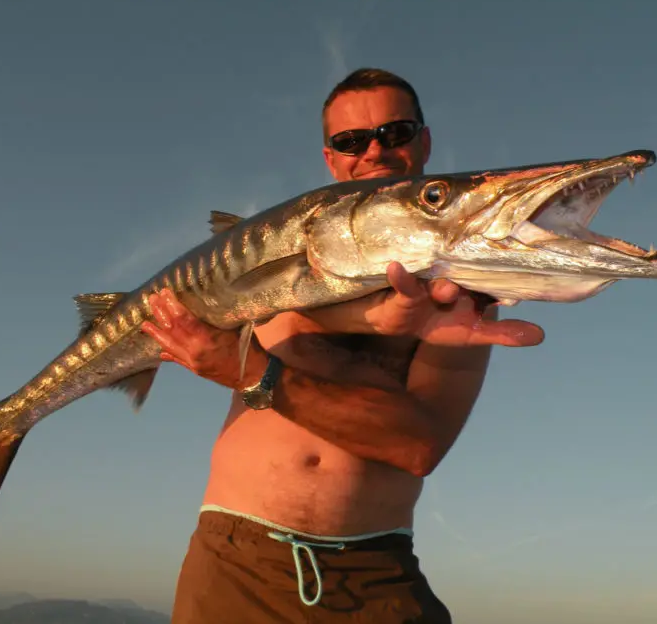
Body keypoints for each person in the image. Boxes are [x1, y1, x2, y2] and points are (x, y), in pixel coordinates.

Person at [142, 68, 544, 623]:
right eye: (351, 141)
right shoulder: (275, 252)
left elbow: (417, 447)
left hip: (376, 578)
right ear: (332, 159)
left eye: (395, 132)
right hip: (235, 568)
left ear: (424, 142)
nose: (374, 151)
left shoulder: (460, 292)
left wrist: (255, 375)